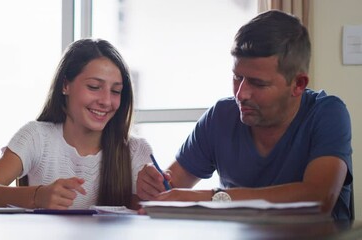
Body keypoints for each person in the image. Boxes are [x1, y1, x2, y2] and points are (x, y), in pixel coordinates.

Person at [136, 10, 353, 220]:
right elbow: (172, 189)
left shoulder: (327, 113)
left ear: (298, 84)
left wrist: (214, 198)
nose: (241, 94)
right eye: (237, 77)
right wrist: (155, 185)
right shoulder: (221, 116)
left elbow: (318, 198)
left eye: (258, 83)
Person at [0, 38, 152, 210]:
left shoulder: (135, 150)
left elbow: (146, 218)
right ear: (65, 85)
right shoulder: (37, 138)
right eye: (94, 87)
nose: (106, 101)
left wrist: (152, 197)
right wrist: (38, 196)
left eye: (116, 91)